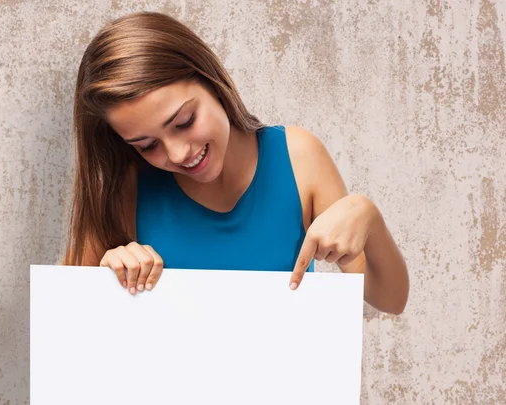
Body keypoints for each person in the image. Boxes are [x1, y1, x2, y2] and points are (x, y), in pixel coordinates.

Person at [62, 11, 409, 314]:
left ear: (210, 80)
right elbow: (67, 325)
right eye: (147, 145)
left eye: (184, 122)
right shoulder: (129, 185)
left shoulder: (298, 157)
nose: (178, 154)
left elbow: (390, 299)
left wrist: (369, 217)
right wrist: (105, 276)